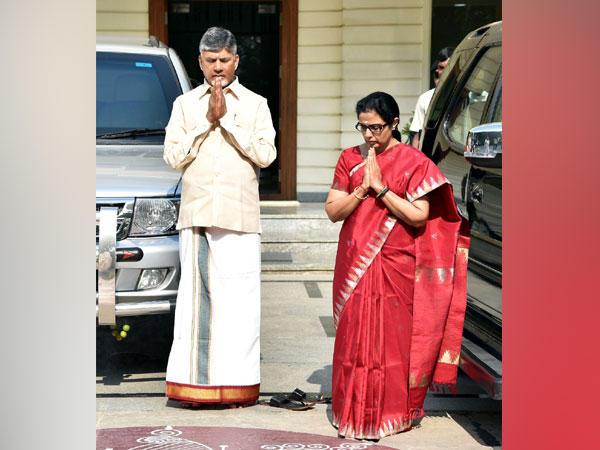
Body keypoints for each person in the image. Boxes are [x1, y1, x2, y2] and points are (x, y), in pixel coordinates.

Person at [325, 92, 470, 439]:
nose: (368, 135)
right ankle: (352, 413)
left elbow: (420, 217)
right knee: (353, 338)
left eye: (376, 127)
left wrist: (382, 190)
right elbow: (333, 211)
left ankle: (391, 414)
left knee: (393, 340)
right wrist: (362, 190)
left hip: (397, 263)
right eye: (362, 127)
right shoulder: (349, 159)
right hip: (356, 260)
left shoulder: (414, 161)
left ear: (393, 124)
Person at [163, 27, 277, 408]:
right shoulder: (184, 105)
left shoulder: (256, 104)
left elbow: (266, 155)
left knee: (240, 305)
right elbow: (173, 157)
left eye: (224, 60)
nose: (217, 68)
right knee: (195, 307)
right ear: (200, 62)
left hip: (240, 217)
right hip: (197, 215)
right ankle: (195, 389)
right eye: (210, 61)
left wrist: (227, 120)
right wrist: (205, 121)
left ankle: (238, 389)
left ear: (236, 61)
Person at [409, 47, 455, 148]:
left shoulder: (472, 95)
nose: (443, 72)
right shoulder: (426, 98)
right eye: (441, 68)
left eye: (448, 67)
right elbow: (416, 134)